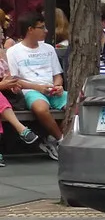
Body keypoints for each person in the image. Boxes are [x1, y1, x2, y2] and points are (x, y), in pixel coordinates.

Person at [6, 12, 66, 160]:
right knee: (40, 108)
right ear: (30, 29)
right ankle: (62, 140)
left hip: (52, 89)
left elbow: (57, 75)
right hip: (31, 90)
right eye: (42, 27)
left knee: (76, 104)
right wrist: (38, 88)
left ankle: (54, 138)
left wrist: (58, 86)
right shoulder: (14, 51)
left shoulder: (48, 49)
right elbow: (15, 80)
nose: (46, 31)